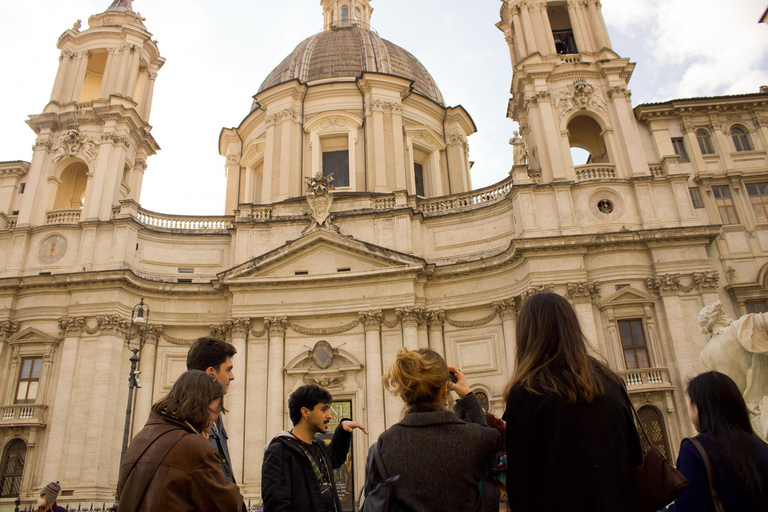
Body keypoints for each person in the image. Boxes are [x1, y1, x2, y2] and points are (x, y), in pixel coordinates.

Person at [504, 292, 643, 512]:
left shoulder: (527, 392)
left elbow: (521, 487)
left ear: (526, 336)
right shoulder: (611, 382)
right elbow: (635, 459)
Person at [363, 348, 500, 512]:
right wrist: (468, 397)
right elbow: (490, 458)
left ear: (403, 396)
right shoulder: (475, 438)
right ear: (445, 389)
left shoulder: (383, 446)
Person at [117, 370, 242, 512]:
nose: (214, 419)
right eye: (216, 410)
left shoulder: (139, 440)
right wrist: (203, 447)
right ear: (202, 409)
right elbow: (229, 506)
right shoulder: (197, 448)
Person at [668, 371, 768, 511]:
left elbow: (688, 507)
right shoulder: (761, 447)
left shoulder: (693, 451)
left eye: (690, 402)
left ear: (699, 407)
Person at [261, 384, 368, 512]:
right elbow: (276, 505)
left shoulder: (318, 446)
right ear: (305, 412)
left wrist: (343, 431)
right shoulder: (279, 451)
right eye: (323, 409)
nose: (329, 416)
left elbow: (335, 458)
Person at [187, 337, 237, 483]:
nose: (232, 377)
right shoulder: (188, 421)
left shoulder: (215, 417)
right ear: (211, 373)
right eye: (228, 370)